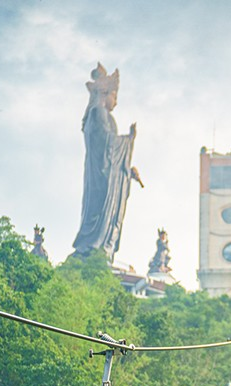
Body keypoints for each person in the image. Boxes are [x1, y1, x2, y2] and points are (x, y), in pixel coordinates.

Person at [72, 63, 143, 261]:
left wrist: (126, 170)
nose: (116, 102)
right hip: (100, 177)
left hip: (103, 174)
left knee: (101, 213)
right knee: (97, 211)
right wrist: (129, 140)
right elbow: (106, 145)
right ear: (105, 93)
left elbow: (111, 153)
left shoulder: (104, 116)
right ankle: (92, 247)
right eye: (115, 96)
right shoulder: (98, 113)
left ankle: (100, 248)